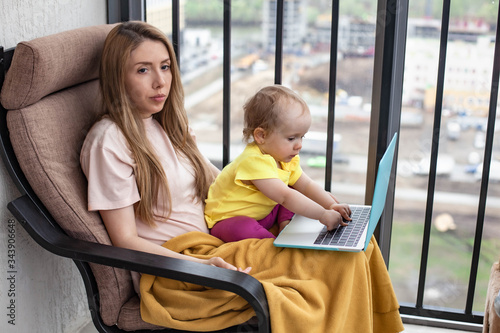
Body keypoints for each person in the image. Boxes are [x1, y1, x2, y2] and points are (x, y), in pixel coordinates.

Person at [80, 21, 404, 333]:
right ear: (116, 77)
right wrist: (202, 268)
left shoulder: (167, 124)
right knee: (338, 261)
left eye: (165, 67)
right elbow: (125, 240)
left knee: (356, 242)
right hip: (183, 264)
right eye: (142, 70)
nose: (160, 82)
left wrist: (282, 196)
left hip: (218, 240)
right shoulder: (109, 141)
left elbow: (217, 180)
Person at [205, 85, 351, 242]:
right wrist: (322, 215)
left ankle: (284, 223)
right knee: (246, 225)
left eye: (302, 137)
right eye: (291, 138)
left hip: (263, 213)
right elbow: (285, 197)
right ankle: (273, 244)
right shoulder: (253, 160)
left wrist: (330, 205)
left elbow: (306, 184)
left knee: (294, 186)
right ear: (261, 135)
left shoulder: (285, 158)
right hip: (229, 220)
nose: (299, 145)